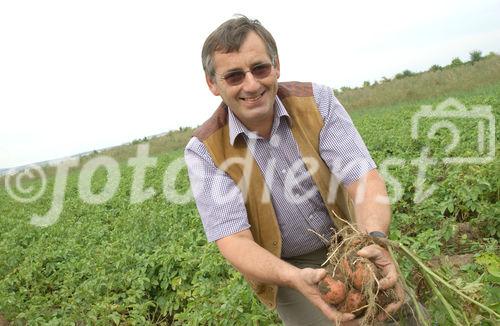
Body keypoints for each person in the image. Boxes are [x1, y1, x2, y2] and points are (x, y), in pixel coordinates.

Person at [185, 15, 406, 325]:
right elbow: (234, 239)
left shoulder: (317, 102)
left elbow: (363, 179)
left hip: (351, 238)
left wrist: (373, 239)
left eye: (259, 68)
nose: (251, 84)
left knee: (397, 314)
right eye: (234, 76)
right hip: (287, 264)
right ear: (213, 84)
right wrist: (293, 277)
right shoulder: (205, 150)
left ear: (276, 66)